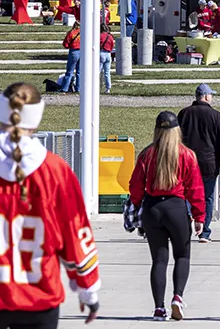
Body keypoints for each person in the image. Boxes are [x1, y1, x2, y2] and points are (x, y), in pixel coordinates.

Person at [0, 82, 101, 326]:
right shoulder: (56, 170)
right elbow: (75, 234)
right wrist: (88, 290)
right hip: (40, 298)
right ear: (36, 120)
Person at [129, 110, 205, 322]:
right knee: (182, 255)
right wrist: (200, 216)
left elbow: (135, 185)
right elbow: (196, 188)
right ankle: (178, 297)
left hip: (153, 209)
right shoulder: (187, 155)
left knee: (159, 260)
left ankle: (159, 308)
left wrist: (136, 205)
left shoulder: (146, 154)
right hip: (176, 208)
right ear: (177, 130)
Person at [177, 84, 220, 243]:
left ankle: (186, 226)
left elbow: (176, 139)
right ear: (206, 96)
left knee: (186, 196)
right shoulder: (215, 115)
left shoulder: (184, 114)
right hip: (209, 164)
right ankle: (204, 232)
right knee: (207, 197)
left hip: (187, 163)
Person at [60, 21, 81, 93]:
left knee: (69, 71)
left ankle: (64, 88)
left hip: (73, 51)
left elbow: (65, 44)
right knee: (79, 72)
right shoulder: (84, 32)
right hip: (83, 51)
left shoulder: (71, 33)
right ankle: (79, 88)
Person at [99, 22, 114, 94]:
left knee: (97, 72)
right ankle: (108, 88)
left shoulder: (100, 36)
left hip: (101, 53)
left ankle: (95, 86)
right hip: (108, 54)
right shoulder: (110, 36)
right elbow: (112, 45)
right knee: (107, 72)